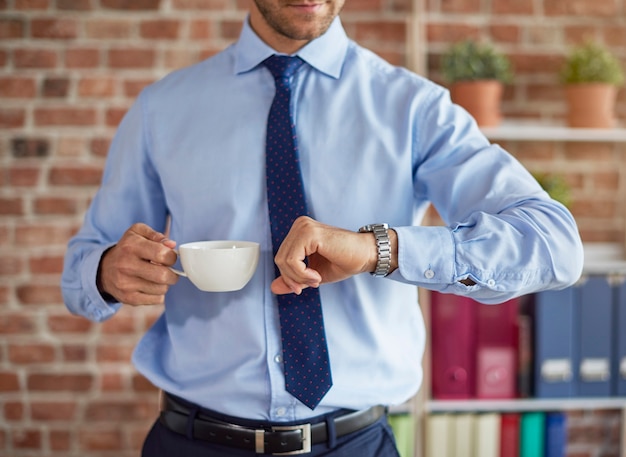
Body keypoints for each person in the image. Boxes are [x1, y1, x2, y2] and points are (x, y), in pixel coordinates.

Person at [61, 1, 584, 456]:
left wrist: (378, 249)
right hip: (191, 442)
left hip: (355, 445)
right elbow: (81, 271)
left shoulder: (416, 110)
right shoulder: (162, 109)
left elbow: (553, 245)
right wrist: (109, 270)